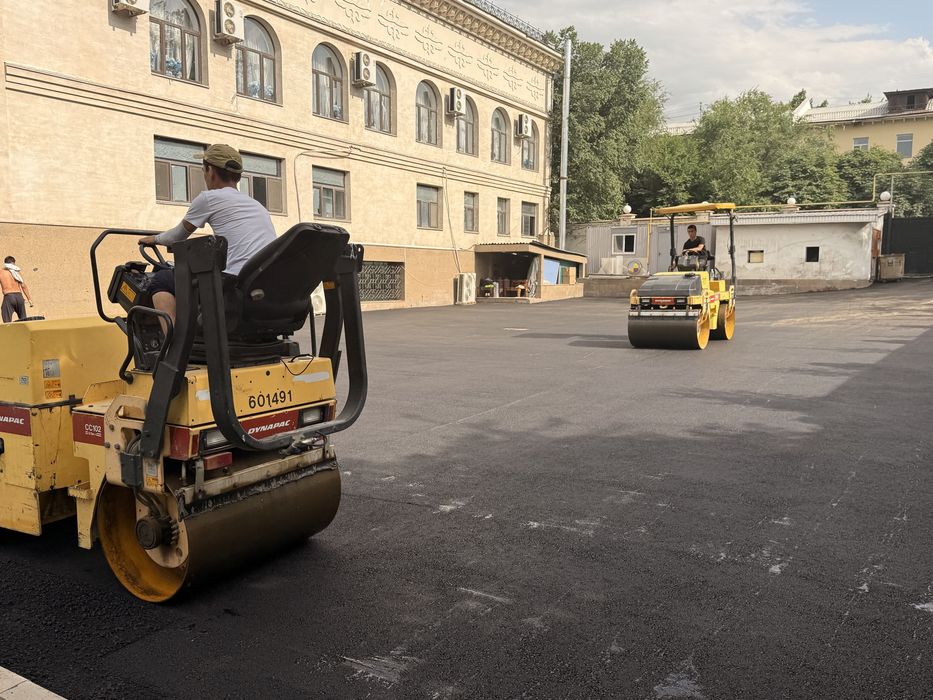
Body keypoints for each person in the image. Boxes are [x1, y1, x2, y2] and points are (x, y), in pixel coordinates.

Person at [138, 144, 276, 328]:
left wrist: (154, 239)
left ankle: (174, 348)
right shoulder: (256, 205)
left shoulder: (208, 199)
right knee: (187, 278)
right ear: (238, 175)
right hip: (261, 283)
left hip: (232, 285)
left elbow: (176, 237)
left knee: (161, 279)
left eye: (203, 169)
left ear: (210, 171)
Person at [1, 256, 34, 323]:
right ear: (13, 263)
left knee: (7, 322)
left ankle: (8, 332)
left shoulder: (1, 272)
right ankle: (23, 332)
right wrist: (29, 299)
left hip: (9, 297)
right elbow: (23, 286)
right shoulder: (17, 273)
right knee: (23, 320)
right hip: (19, 297)